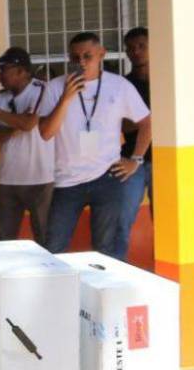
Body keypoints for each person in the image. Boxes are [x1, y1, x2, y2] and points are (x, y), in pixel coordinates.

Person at [40, 32, 151, 258]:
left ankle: (107, 293)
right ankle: (56, 293)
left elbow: (147, 122)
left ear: (101, 54)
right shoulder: (55, 87)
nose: (81, 62)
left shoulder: (119, 85)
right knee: (54, 247)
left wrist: (136, 160)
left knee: (106, 249)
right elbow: (45, 133)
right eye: (75, 57)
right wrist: (66, 98)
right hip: (67, 180)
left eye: (87, 56)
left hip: (107, 178)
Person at [0, 47, 56, 244]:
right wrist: (15, 127)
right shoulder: (0, 97)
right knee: (4, 240)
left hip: (41, 178)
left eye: (4, 69)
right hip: (8, 179)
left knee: (46, 238)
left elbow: (28, 124)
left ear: (22, 71)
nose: (0, 75)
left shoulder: (42, 90)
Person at [115, 26, 153, 261]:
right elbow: (123, 125)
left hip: (167, 161)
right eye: (130, 48)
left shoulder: (167, 82)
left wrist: (141, 120)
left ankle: (168, 276)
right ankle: (118, 271)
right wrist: (149, 121)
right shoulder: (123, 86)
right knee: (122, 220)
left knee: (169, 222)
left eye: (141, 46)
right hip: (131, 161)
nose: (135, 52)